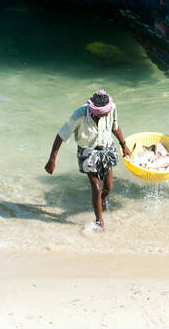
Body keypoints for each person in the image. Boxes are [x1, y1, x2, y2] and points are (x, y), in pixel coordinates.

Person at [44, 89, 131, 230]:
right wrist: (52, 159)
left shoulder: (112, 108)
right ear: (96, 113)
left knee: (108, 188)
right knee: (97, 187)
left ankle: (100, 200)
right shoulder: (78, 115)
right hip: (87, 151)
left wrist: (123, 144)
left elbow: (115, 126)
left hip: (106, 147)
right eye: (106, 112)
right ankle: (99, 221)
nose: (108, 112)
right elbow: (61, 135)